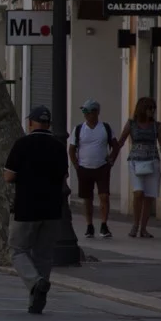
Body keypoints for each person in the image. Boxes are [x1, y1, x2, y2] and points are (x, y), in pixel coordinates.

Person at [4, 105, 69, 315]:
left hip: (26, 207)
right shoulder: (59, 146)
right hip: (51, 208)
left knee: (17, 250)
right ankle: (36, 299)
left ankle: (35, 281)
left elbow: (9, 176)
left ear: (31, 123)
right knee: (44, 255)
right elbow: (64, 177)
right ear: (48, 124)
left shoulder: (22, 144)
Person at [115, 97, 161, 239]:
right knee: (138, 193)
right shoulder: (131, 124)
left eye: (153, 108)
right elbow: (121, 141)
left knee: (149, 196)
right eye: (149, 108)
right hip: (135, 161)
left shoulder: (157, 126)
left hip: (152, 161)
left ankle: (143, 228)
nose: (151, 111)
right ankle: (135, 225)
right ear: (142, 109)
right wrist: (111, 156)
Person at [69, 99, 118, 239]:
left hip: (102, 167)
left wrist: (111, 159)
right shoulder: (79, 129)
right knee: (87, 198)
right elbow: (71, 149)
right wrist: (76, 165)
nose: (85, 114)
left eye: (87, 111)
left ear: (96, 112)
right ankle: (89, 225)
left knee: (104, 196)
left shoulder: (105, 128)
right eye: (84, 111)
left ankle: (104, 224)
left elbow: (115, 145)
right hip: (84, 168)